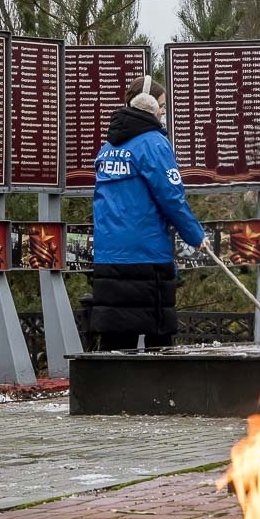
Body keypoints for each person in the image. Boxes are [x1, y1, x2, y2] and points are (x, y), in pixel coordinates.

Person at [91, 75, 209, 350]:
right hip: (147, 255)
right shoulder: (154, 144)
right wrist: (195, 235)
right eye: (162, 104)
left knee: (116, 337)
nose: (164, 110)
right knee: (159, 334)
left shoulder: (108, 148)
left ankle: (112, 390)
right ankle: (163, 392)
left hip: (109, 255)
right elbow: (171, 196)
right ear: (150, 107)